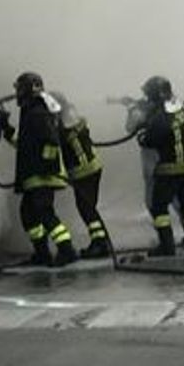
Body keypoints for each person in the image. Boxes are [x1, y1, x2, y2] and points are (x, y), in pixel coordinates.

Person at [0, 72, 77, 267]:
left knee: (44, 212)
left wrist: (44, 168)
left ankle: (67, 250)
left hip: (42, 175)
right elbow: (26, 144)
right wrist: (7, 130)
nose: (17, 93)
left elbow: (51, 141)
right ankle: (42, 253)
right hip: (35, 175)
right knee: (28, 213)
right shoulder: (32, 111)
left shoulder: (38, 112)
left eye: (19, 89)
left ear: (27, 89)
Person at [137, 75, 184, 257]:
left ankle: (166, 247)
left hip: (169, 169)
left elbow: (149, 140)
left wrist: (142, 135)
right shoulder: (180, 109)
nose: (148, 100)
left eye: (149, 96)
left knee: (159, 208)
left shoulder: (160, 117)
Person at [50, 91, 110, 259]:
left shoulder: (61, 126)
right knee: (89, 207)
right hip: (94, 167)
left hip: (83, 171)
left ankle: (100, 244)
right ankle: (101, 241)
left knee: (86, 208)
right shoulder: (74, 117)